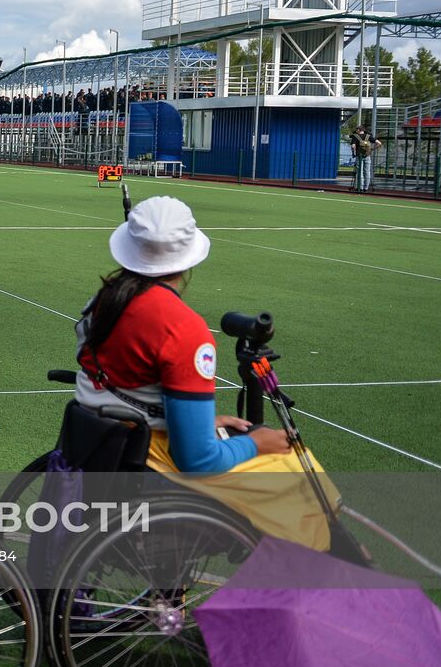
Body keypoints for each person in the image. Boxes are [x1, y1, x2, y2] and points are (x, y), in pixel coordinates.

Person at [73, 195, 339, 550]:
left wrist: (200, 420)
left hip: (102, 438)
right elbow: (198, 461)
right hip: (147, 460)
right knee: (297, 470)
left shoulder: (104, 298)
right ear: (187, 259)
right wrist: (256, 443)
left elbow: (128, 383)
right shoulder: (182, 329)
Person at [349, 125, 381, 192]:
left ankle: (359, 187)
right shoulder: (368, 136)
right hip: (367, 156)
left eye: (357, 129)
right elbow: (379, 143)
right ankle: (366, 188)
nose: (356, 131)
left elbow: (353, 146)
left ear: (358, 130)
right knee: (367, 172)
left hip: (359, 156)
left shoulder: (355, 136)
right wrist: (372, 149)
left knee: (359, 172)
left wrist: (353, 153)